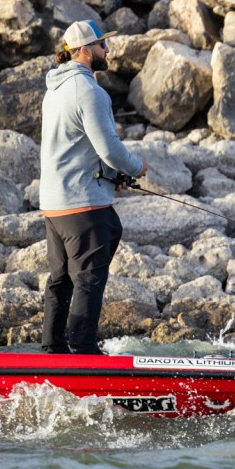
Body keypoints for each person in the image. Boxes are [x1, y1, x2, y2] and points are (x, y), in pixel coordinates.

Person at [39, 19, 147, 354]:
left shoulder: (54, 89)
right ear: (85, 50)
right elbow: (108, 148)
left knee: (60, 280)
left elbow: (77, 147)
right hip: (82, 206)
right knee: (88, 280)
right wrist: (136, 167)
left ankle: (53, 352)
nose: (107, 49)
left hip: (54, 205)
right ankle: (84, 353)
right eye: (102, 44)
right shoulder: (89, 91)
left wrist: (113, 177)